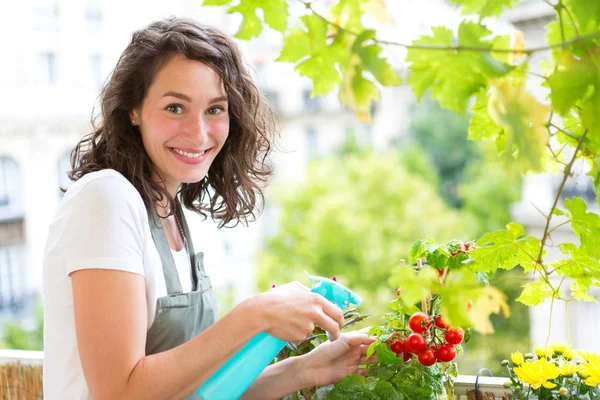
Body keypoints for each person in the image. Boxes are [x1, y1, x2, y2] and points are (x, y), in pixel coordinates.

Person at [42, 16, 376, 400]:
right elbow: (121, 392)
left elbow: (194, 392)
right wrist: (254, 316)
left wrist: (306, 369)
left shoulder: (171, 210)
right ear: (133, 110)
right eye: (174, 107)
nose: (198, 133)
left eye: (215, 110)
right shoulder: (105, 200)